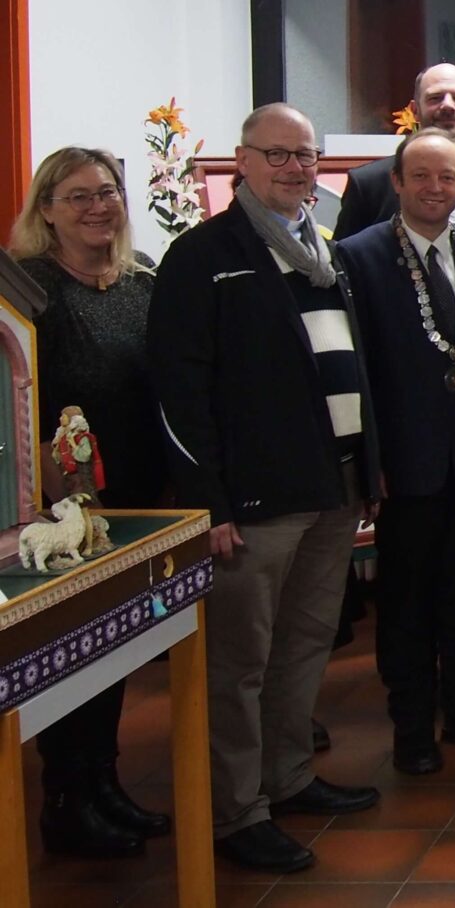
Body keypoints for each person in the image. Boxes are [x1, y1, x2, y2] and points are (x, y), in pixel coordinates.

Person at [149, 103, 383, 873]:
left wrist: (369, 473)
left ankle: (286, 777)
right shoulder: (204, 254)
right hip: (253, 504)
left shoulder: (324, 251)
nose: (294, 168)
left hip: (331, 487)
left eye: (305, 156)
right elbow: (180, 393)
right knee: (238, 663)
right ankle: (235, 810)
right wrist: (208, 506)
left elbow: (355, 372)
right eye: (277, 155)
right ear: (241, 162)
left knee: (303, 646)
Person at [334, 128, 455, 775]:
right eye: (422, 176)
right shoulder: (356, 258)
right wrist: (370, 459)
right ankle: (412, 726)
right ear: (396, 182)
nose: (436, 188)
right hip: (404, 462)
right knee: (407, 602)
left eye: (448, 177)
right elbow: (355, 371)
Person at [9, 147, 171, 858]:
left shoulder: (143, 282)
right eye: (77, 197)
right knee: (64, 649)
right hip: (60, 503)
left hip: (136, 489)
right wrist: (52, 486)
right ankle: (65, 799)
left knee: (112, 647)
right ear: (46, 209)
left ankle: (104, 782)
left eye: (107, 193)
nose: (98, 207)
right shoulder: (27, 291)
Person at [334, 63, 455, 241]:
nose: (447, 105)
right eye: (435, 98)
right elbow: (344, 267)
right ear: (414, 110)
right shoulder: (367, 185)